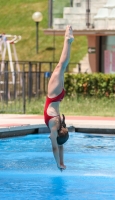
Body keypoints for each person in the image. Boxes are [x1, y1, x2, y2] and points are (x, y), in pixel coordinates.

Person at [44, 25, 74, 171]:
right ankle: (67, 40)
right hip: (54, 96)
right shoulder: (55, 128)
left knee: (62, 66)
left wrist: (62, 163)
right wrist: (58, 163)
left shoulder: (60, 126)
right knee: (60, 66)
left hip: (59, 96)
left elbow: (60, 146)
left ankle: (68, 41)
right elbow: (56, 149)